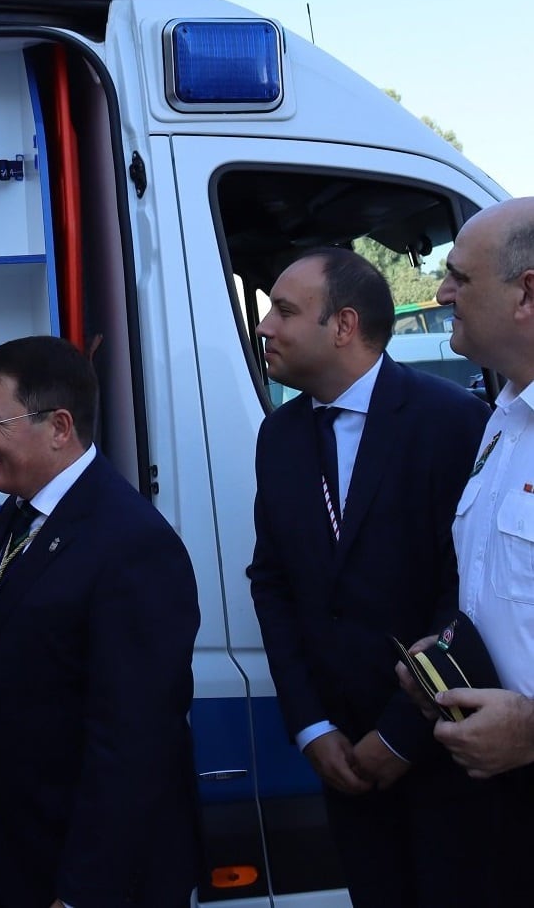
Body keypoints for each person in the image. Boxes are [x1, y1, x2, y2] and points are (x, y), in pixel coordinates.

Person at [247, 247, 492, 907]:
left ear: (343, 324)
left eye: (284, 310)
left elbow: (468, 590)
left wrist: (399, 735)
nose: (264, 326)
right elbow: (271, 581)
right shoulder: (279, 436)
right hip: (342, 763)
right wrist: (311, 727)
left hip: (446, 758)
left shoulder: (453, 423)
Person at [0, 335, 200, 908]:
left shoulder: (133, 546)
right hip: (26, 850)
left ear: (59, 427)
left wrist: (83, 894)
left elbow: (132, 744)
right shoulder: (23, 509)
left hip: (92, 875)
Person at [407, 197, 534, 903]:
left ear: (526, 291)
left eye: (458, 276)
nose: (440, 294)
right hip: (497, 802)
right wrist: (447, 654)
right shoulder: (502, 420)